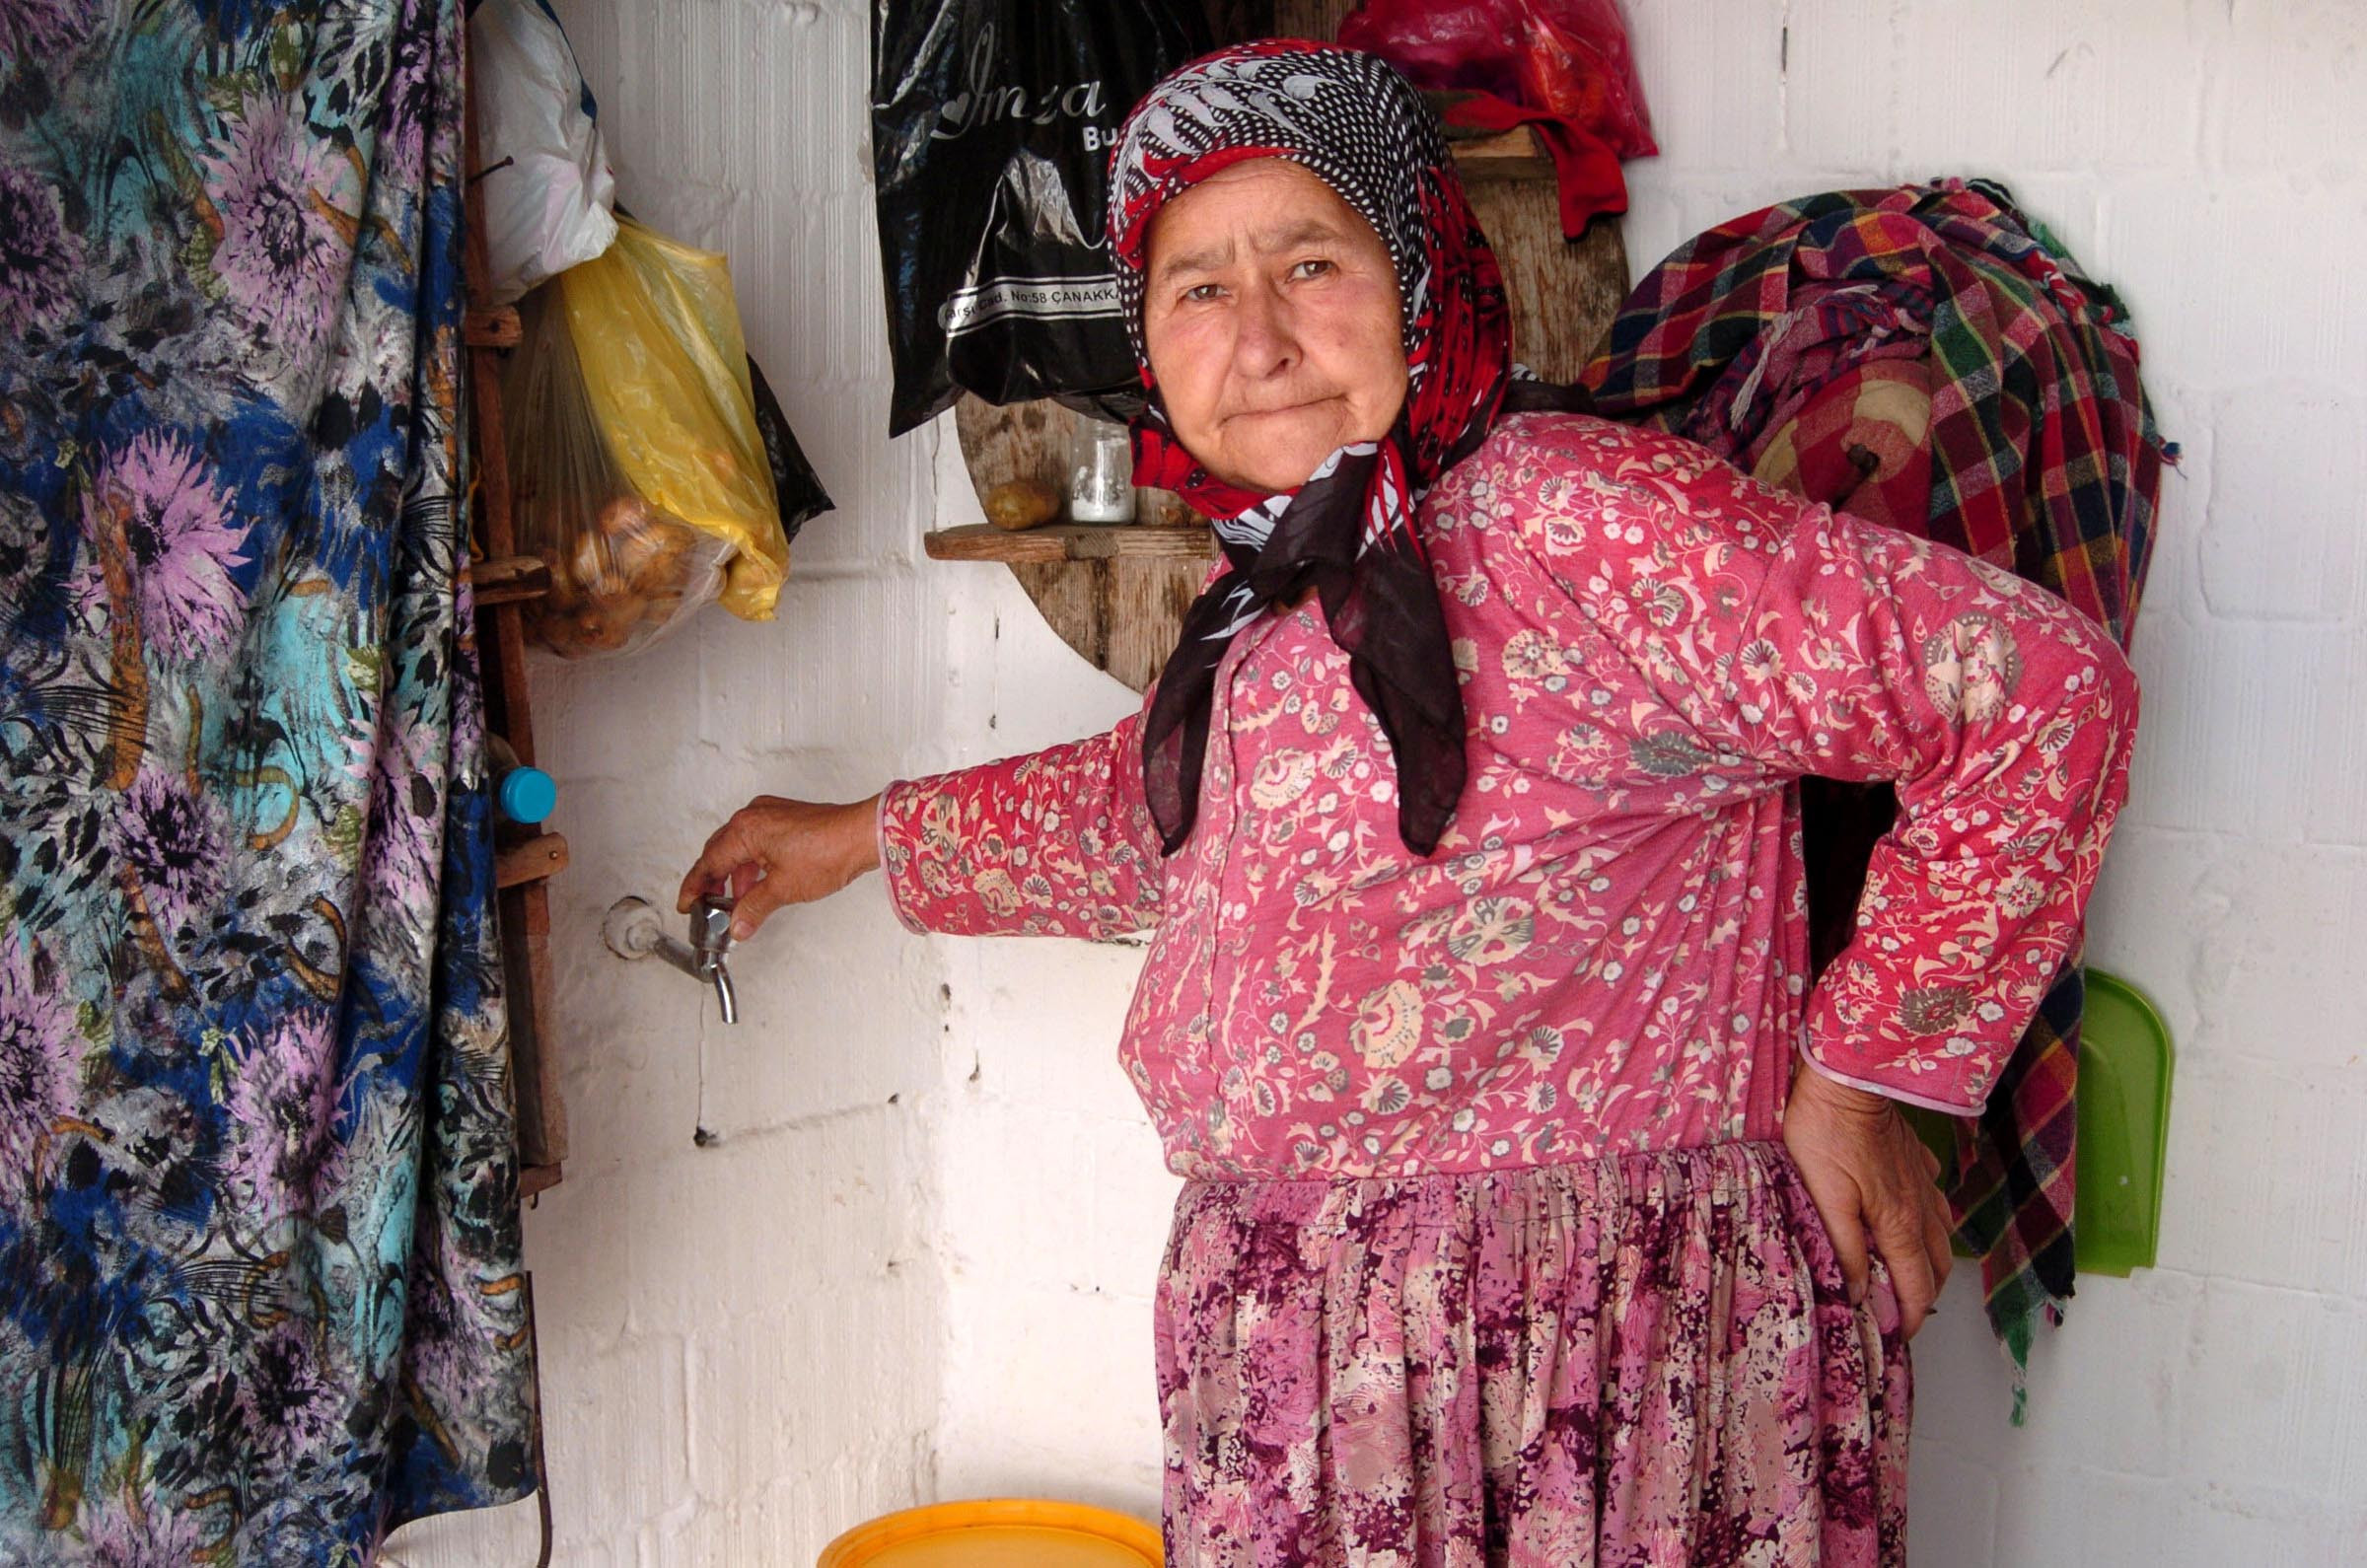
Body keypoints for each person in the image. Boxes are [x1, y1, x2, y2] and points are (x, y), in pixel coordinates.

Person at [681, 43, 2136, 1567]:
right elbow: (1154, 817)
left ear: (1420, 271)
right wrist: (855, 836)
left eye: (1310, 263)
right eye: (1197, 287)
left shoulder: (1578, 519)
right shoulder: (1274, 582)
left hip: (1597, 1356)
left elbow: (2037, 692)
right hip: (1314, 1362)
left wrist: (1865, 1080)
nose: (1258, 340)